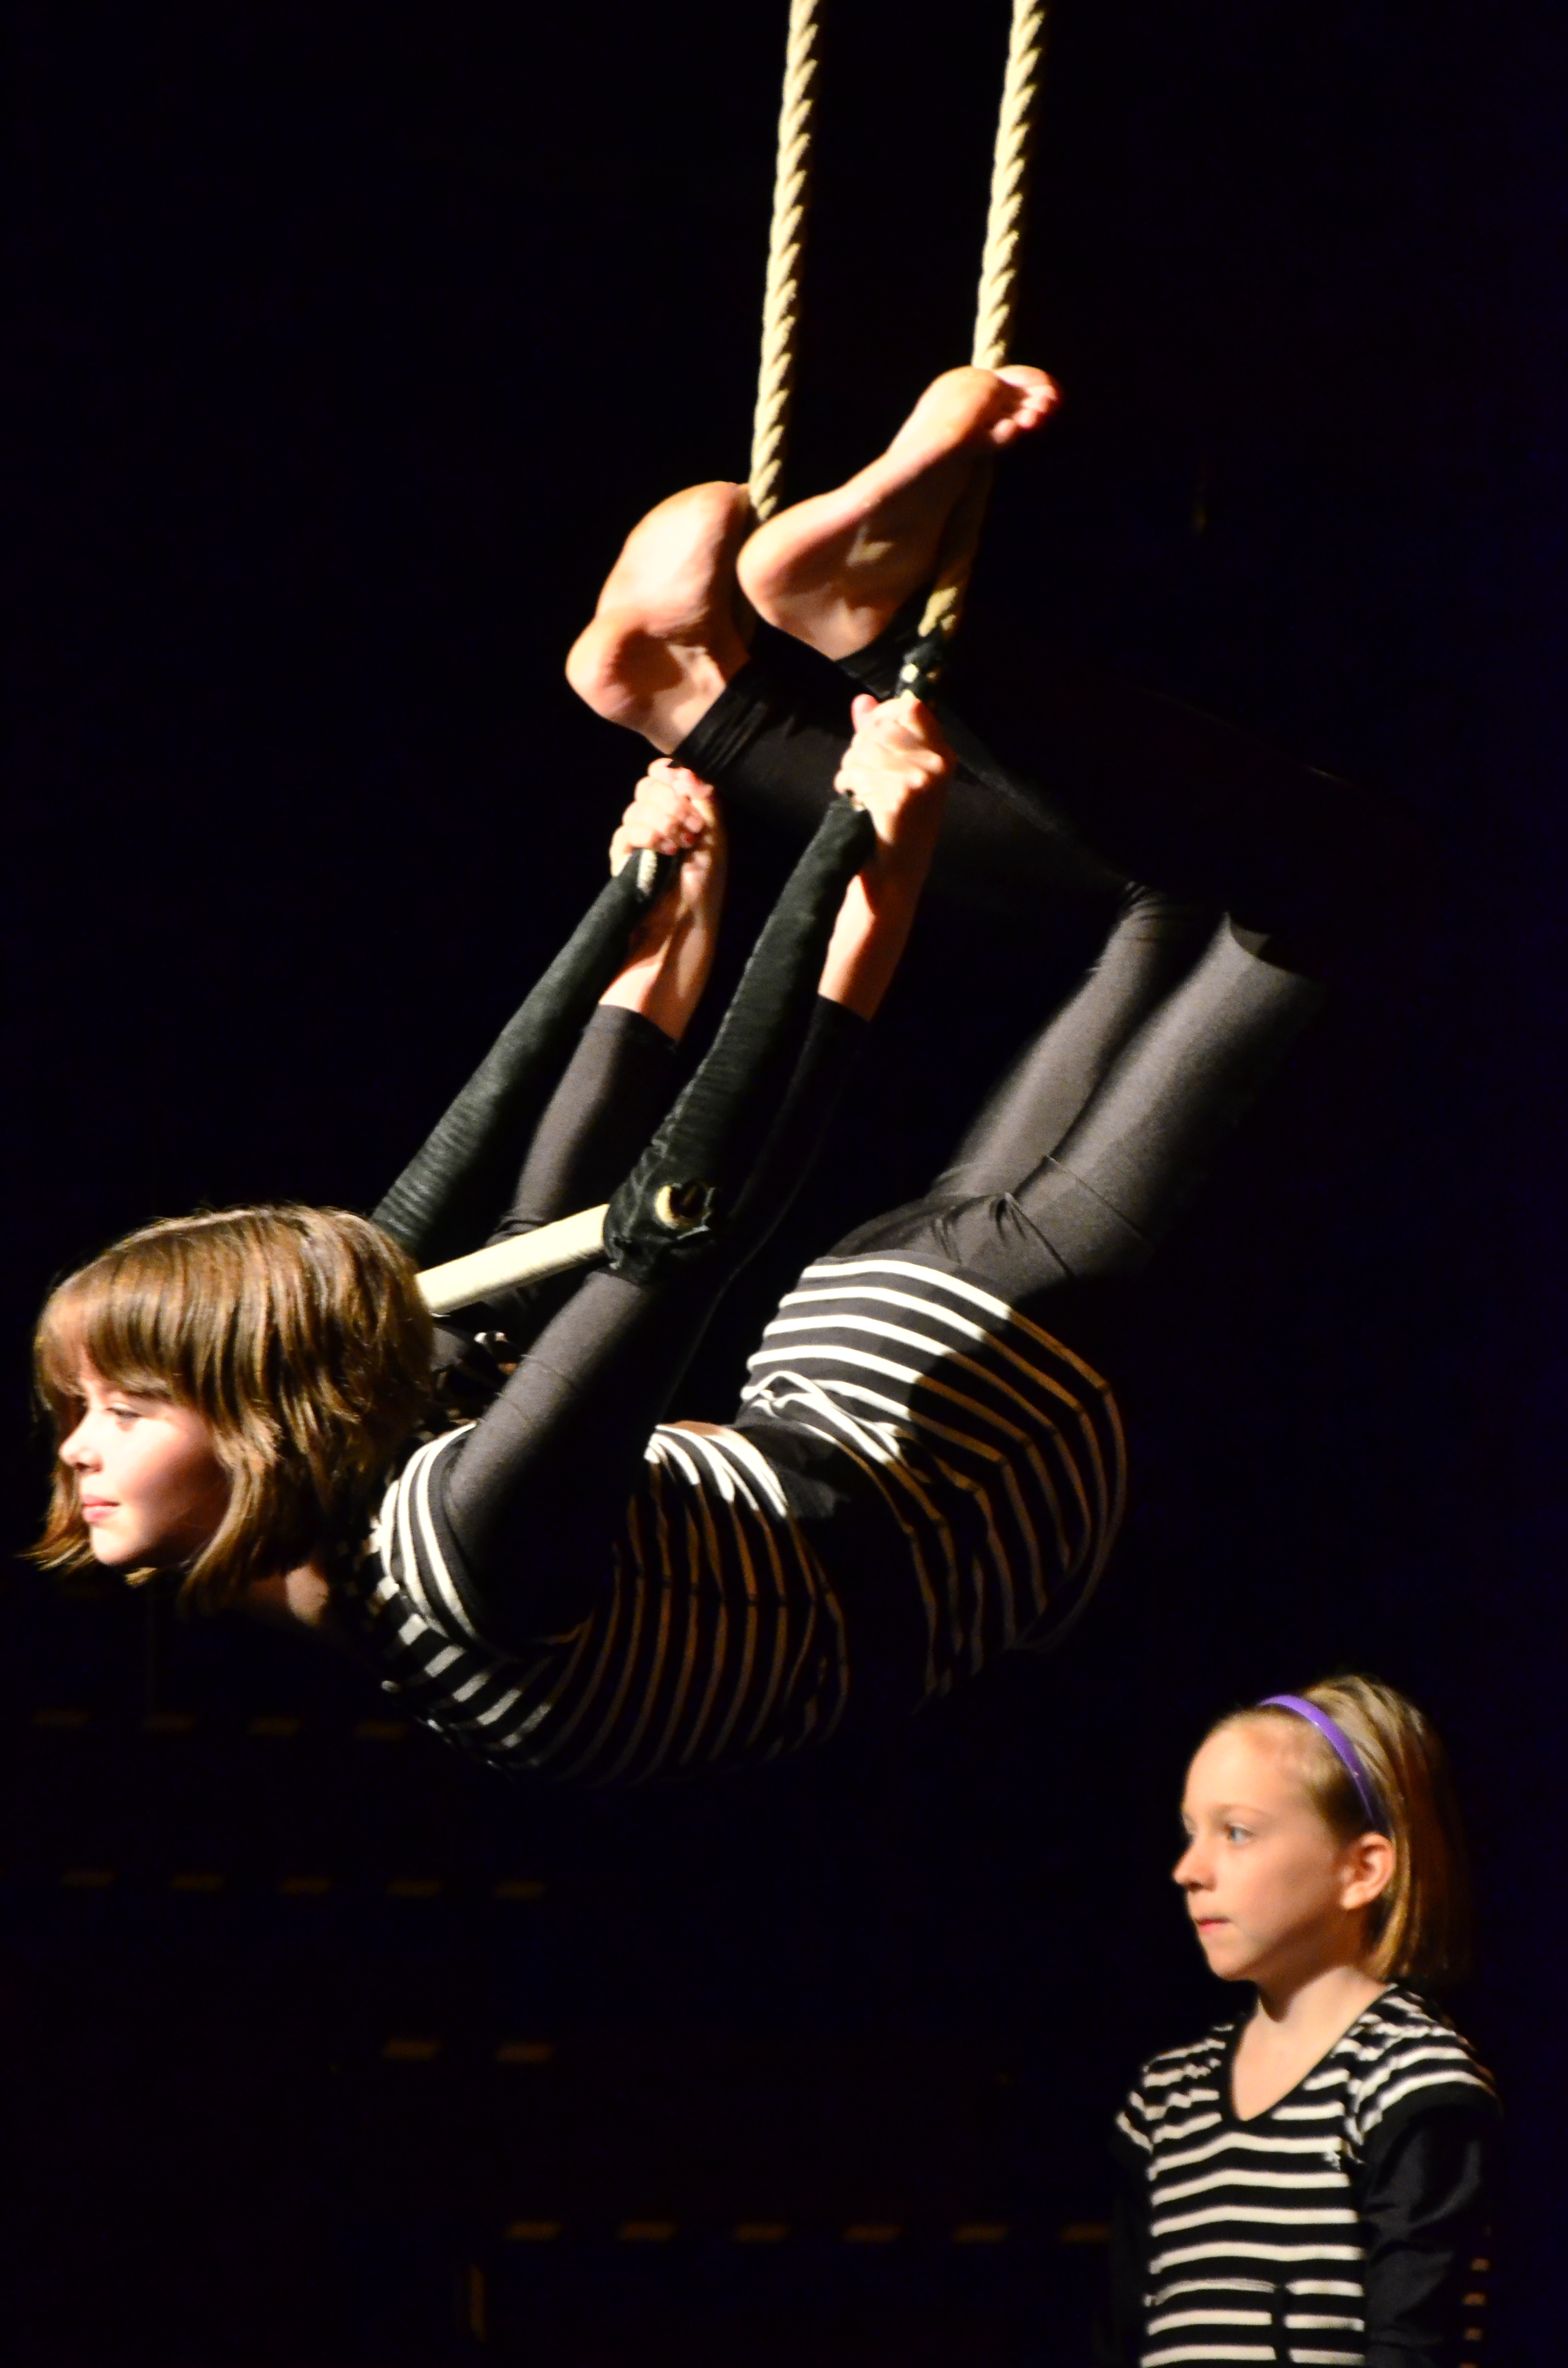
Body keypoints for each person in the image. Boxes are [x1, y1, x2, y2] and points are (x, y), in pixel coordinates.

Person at [32, 367, 1402, 1783]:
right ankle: (734, 685)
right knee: (1222, 888)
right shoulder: (465, 1554)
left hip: (953, 1405)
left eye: (116, 1409)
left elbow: (516, 1216)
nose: (76, 1449)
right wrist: (857, 877)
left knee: (1314, 891)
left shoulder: (387, 1510)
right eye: (103, 1409)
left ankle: (766, 668)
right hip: (931, 1427)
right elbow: (686, 1225)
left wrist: (656, 931)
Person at [1102, 1677, 1498, 2367]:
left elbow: (1415, 2345)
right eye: (1192, 1833)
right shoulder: (1167, 2100)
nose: (1189, 1870)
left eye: (1237, 1832)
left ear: (1361, 1870)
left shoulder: (1406, 2085)